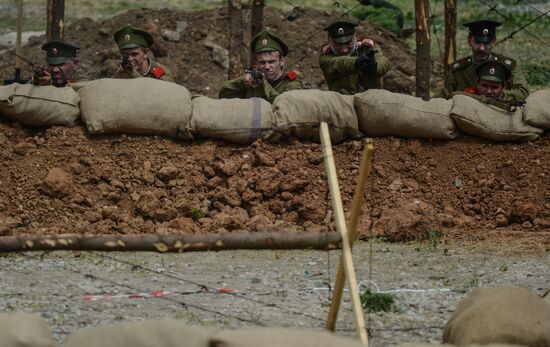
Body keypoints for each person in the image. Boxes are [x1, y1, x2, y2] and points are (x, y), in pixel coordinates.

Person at [440, 20, 528, 101]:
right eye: (477, 42)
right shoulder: (459, 70)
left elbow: (522, 93)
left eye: (486, 43)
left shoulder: (507, 66)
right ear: (469, 41)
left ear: (493, 42)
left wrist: (498, 92)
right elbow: (443, 97)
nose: (482, 48)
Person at [219, 30, 303, 103]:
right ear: (257, 63)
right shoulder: (253, 80)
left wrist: (264, 85)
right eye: (262, 62)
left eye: (271, 62)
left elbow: (286, 105)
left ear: (281, 61)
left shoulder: (292, 82)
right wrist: (242, 82)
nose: (267, 67)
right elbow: (224, 95)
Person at [319, 18, 390, 95]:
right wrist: (356, 63)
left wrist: (375, 67)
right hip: (342, 103)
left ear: (354, 36)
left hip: (371, 100)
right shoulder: (326, 56)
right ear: (329, 40)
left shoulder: (367, 47)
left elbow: (384, 62)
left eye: (349, 42)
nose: (344, 50)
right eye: (338, 44)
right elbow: (339, 64)